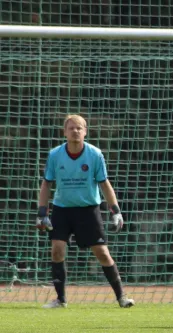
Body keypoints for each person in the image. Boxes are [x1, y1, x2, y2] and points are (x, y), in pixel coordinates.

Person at [36, 114, 134, 308]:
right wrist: (42, 213)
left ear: (85, 131)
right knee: (57, 251)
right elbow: (47, 183)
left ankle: (122, 297)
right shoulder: (55, 154)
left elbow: (104, 184)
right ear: (64, 132)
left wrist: (116, 211)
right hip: (62, 210)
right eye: (71, 128)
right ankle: (60, 299)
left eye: (79, 128)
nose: (75, 131)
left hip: (88, 210)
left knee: (103, 253)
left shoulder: (95, 154)